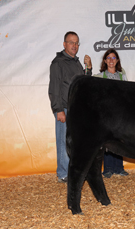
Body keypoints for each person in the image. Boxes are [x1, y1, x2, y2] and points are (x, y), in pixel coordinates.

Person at [49, 31, 92, 183]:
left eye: (76, 43)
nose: (74, 45)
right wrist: (58, 109)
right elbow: (54, 88)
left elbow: (85, 85)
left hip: (76, 110)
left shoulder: (76, 63)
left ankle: (72, 171)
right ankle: (63, 173)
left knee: (74, 141)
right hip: (65, 108)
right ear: (64, 44)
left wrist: (88, 68)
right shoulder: (58, 62)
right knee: (62, 140)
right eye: (71, 42)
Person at [94, 48, 129, 178]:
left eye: (113, 58)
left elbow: (127, 93)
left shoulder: (122, 75)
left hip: (119, 114)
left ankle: (119, 167)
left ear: (117, 60)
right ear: (105, 61)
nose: (111, 60)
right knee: (107, 141)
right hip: (106, 114)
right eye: (108, 58)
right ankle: (108, 168)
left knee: (119, 140)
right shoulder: (99, 77)